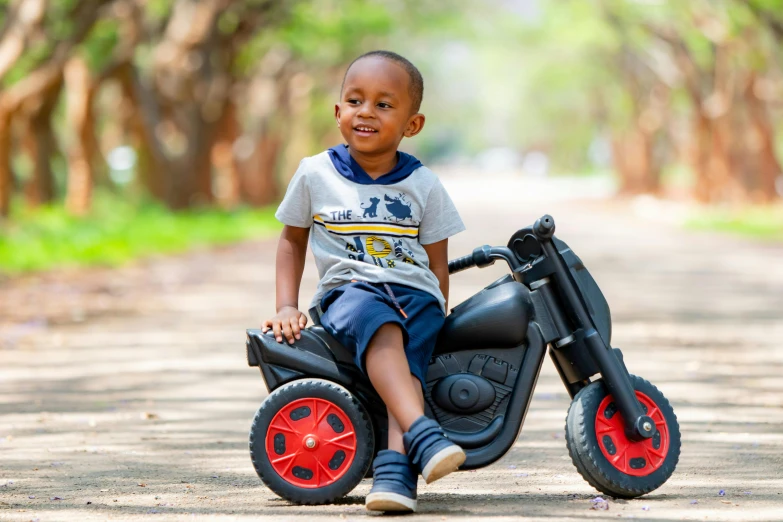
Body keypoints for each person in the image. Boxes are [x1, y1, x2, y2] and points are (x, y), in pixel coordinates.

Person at [262, 50, 466, 513]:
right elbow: (292, 242)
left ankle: (394, 479)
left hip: (414, 294)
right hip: (348, 294)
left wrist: (438, 312)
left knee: (408, 357)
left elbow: (436, 262)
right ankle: (422, 433)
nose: (366, 112)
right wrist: (285, 305)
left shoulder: (424, 184)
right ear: (338, 113)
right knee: (381, 324)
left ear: (412, 125)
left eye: (384, 104)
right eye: (355, 100)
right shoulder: (315, 173)